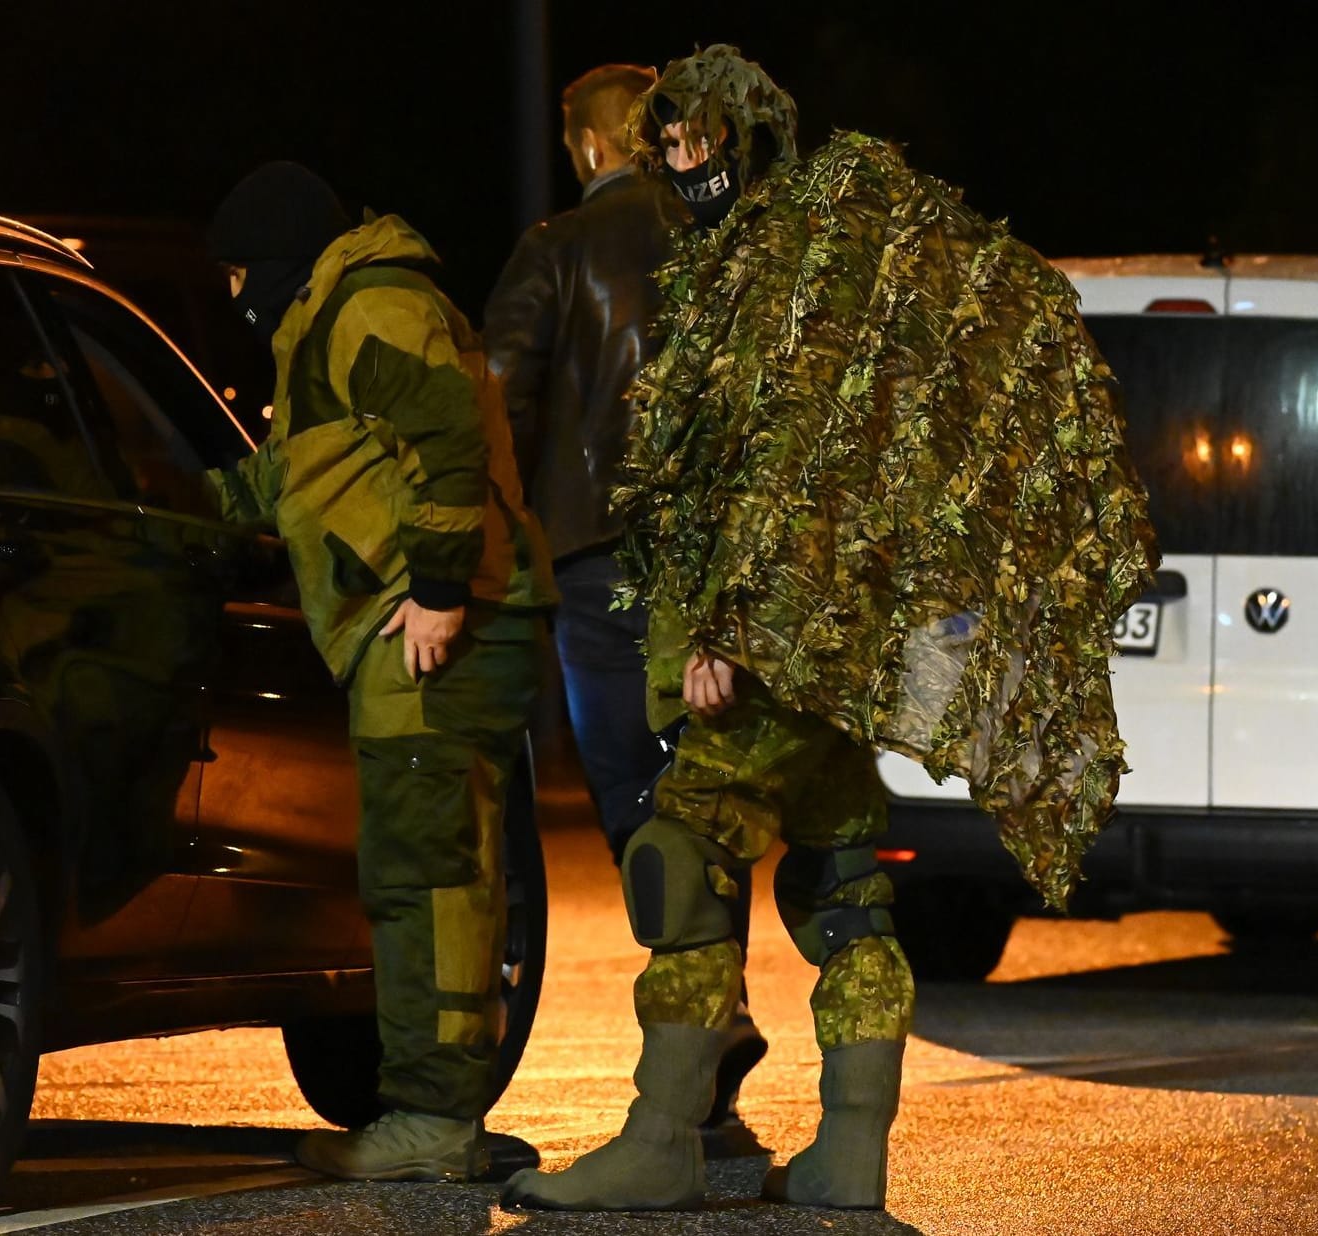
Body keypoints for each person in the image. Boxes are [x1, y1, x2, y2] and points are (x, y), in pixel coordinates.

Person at [503, 46, 1156, 1213]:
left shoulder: (767, 276)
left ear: (743, 140)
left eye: (701, 142)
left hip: (760, 642)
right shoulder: (827, 260)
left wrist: (720, 627)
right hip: (834, 650)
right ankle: (851, 1151)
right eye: (670, 143)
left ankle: (662, 1143)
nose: (683, 161)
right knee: (843, 880)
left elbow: (771, 470)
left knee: (683, 861)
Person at [205, 161, 556, 1182]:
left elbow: (448, 445)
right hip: (435, 622)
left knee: (427, 880)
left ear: (275, 258)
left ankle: (432, 1123)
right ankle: (442, 1115)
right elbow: (317, 466)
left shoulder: (369, 308)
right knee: (443, 876)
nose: (235, 298)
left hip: (433, 630)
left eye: (237, 275)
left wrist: (441, 591)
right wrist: (194, 497)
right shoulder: (347, 313)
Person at [482, 62, 768, 1153]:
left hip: (601, 563)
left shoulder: (557, 249)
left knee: (638, 800)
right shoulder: (728, 241)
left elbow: (496, 399)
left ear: (594, 148)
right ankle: (714, 1080)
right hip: (714, 567)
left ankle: (701, 1048)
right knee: (707, 800)